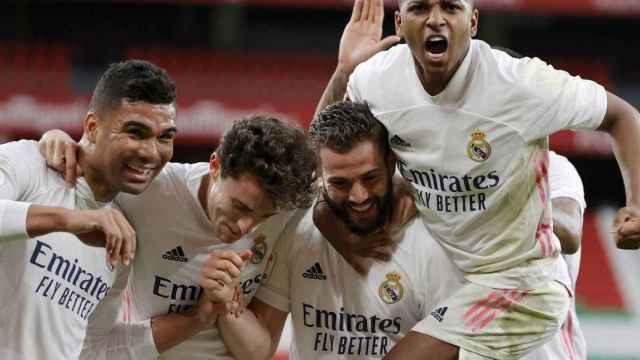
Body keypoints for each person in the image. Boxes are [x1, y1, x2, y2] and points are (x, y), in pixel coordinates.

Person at [316, 0, 640, 358]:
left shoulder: (521, 87)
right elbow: (325, 153)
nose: (435, 20)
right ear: (399, 22)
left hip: (522, 287)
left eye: (451, 8)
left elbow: (622, 116)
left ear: (472, 22)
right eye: (420, 8)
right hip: (459, 286)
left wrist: (636, 205)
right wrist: (345, 71)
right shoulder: (376, 81)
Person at [203, 101, 587, 360]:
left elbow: (567, 231)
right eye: (339, 183)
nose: (357, 196)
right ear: (320, 179)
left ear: (392, 165)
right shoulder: (299, 229)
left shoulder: (440, 235)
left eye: (370, 178)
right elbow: (260, 346)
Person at [38, 115, 318, 359]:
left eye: (263, 217)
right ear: (216, 165)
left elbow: (258, 353)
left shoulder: (287, 211)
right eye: (240, 207)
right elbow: (79, 168)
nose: (247, 227)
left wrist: (227, 300)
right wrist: (56, 141)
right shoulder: (149, 191)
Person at [0, 59, 178, 359]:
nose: (150, 152)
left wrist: (200, 318)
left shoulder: (119, 237)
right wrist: (71, 220)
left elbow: (92, 348)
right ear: (93, 127)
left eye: (165, 137)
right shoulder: (27, 163)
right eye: (135, 133)